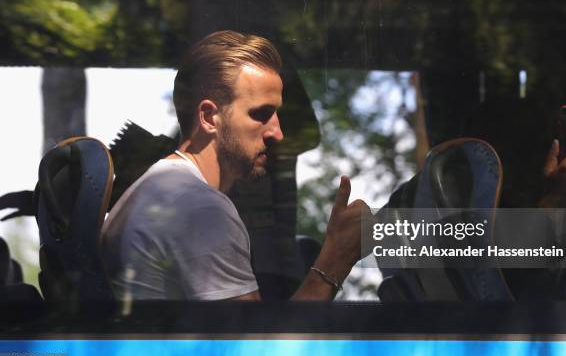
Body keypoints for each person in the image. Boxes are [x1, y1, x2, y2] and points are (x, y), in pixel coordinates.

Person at [101, 30, 371, 301]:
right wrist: (336, 258)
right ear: (209, 117)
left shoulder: (164, 187)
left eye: (277, 115)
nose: (278, 134)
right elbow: (259, 344)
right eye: (260, 114)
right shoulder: (203, 209)